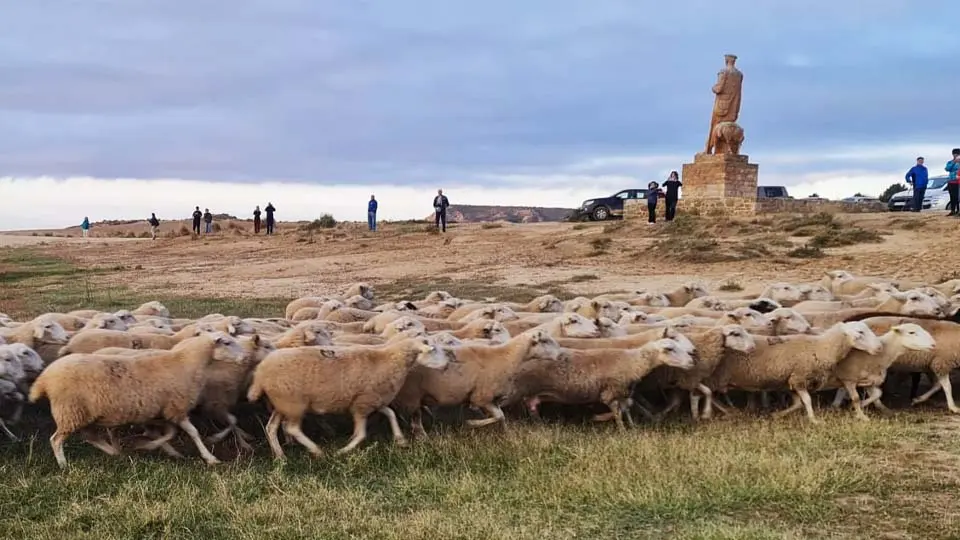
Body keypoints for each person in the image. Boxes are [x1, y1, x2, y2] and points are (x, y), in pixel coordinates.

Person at [705, 54, 743, 154]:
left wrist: (713, 88)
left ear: (726, 60)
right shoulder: (739, 74)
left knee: (714, 127)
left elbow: (719, 88)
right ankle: (723, 150)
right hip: (733, 107)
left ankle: (708, 150)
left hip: (721, 105)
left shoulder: (723, 72)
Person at [947, 149, 960, 216]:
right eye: (955, 154)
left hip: (958, 182)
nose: (956, 155)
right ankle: (952, 210)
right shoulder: (950, 162)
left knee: (957, 197)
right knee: (952, 196)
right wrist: (954, 162)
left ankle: (958, 210)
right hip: (951, 181)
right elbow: (947, 168)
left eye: (957, 154)